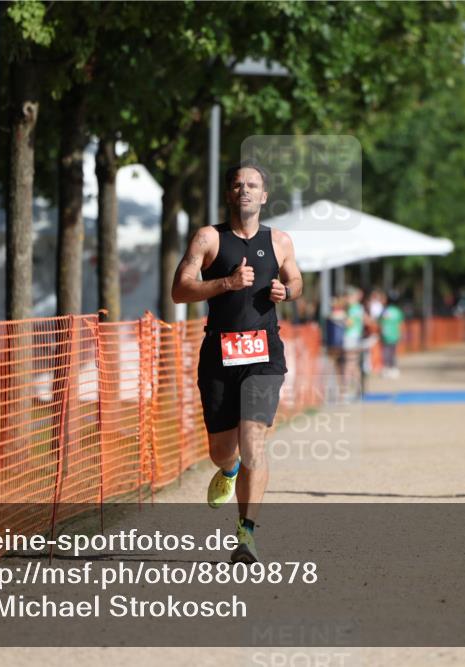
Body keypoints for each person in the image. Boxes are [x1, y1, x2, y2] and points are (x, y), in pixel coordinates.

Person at [171, 160, 302, 563]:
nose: (244, 190)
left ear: (264, 196)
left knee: (253, 442)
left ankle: (246, 535)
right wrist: (225, 284)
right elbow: (179, 290)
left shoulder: (279, 240)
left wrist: (287, 290)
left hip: (265, 356)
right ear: (229, 193)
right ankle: (227, 472)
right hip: (219, 354)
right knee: (222, 450)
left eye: (253, 185)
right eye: (237, 185)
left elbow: (297, 280)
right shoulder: (208, 238)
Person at [378, 290, 405, 378]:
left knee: (386, 352)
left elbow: (380, 322)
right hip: (394, 334)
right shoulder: (397, 311)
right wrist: (402, 334)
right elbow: (401, 324)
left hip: (386, 334)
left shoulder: (385, 311)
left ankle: (387, 368)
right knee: (392, 352)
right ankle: (392, 368)